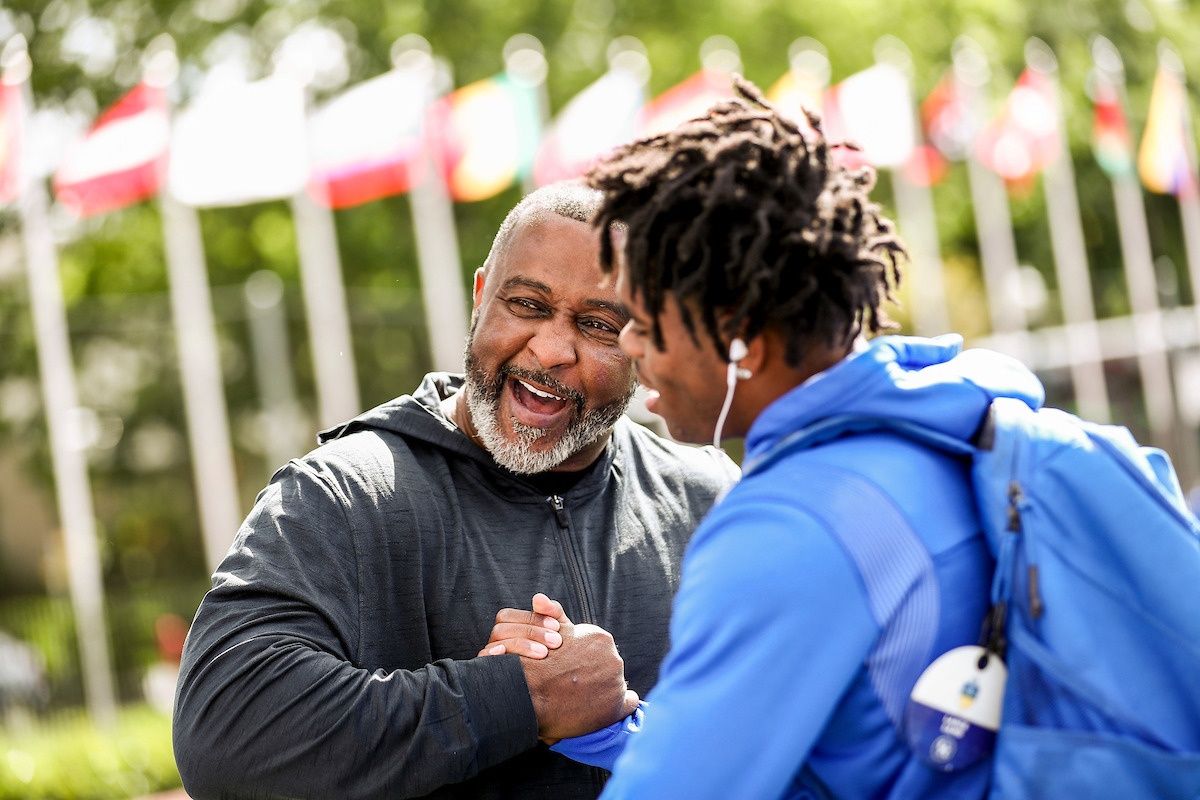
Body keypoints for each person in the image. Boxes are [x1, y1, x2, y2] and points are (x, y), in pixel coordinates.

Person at [488, 79, 1046, 799]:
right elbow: (847, 748)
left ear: (736, 334)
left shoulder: (788, 528)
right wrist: (607, 722)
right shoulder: (953, 428)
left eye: (645, 319)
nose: (628, 342)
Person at [172, 181, 739, 800]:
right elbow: (226, 739)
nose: (550, 350)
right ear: (480, 298)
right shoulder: (344, 495)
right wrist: (518, 700)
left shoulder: (710, 501)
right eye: (526, 305)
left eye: (599, 325)